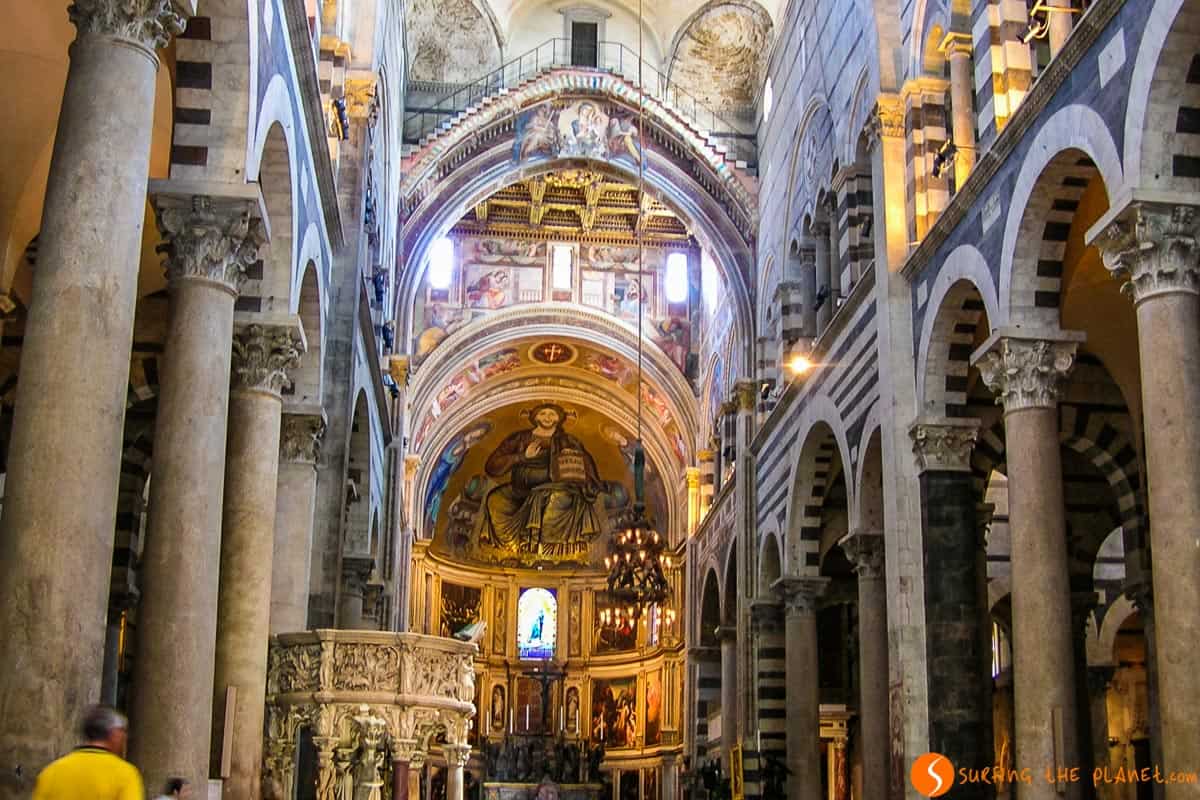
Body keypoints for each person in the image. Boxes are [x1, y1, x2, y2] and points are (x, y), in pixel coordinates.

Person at [33, 704, 144, 800]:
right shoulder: (125, 774)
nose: (125, 737)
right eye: (123, 731)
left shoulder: (51, 772)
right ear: (114, 734)